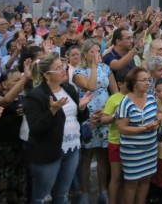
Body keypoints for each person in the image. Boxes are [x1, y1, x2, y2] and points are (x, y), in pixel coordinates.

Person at [23, 54, 92, 204]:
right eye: (58, 68)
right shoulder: (36, 96)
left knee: (62, 194)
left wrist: (81, 107)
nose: (63, 70)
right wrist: (52, 111)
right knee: (40, 197)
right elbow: (35, 129)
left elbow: (80, 117)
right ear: (47, 75)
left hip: (72, 147)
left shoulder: (68, 88)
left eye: (63, 66)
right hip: (48, 151)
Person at [73, 39, 117, 204]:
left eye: (98, 51)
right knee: (87, 155)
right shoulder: (79, 71)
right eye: (92, 51)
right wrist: (92, 66)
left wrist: (108, 108)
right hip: (88, 115)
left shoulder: (106, 68)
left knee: (102, 155)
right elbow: (90, 87)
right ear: (85, 53)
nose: (96, 54)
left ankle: (102, 190)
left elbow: (115, 92)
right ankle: (84, 191)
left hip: (104, 113)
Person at [0, 64, 32, 204]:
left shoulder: (23, 99)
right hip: (0, 149)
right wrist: (24, 79)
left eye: (21, 79)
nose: (20, 83)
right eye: (16, 80)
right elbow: (5, 102)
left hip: (18, 148)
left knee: (18, 185)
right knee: (0, 188)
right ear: (5, 84)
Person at [117, 67, 162, 204]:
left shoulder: (151, 97)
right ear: (134, 82)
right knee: (131, 183)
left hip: (150, 148)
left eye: (148, 80)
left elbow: (156, 116)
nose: (147, 83)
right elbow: (122, 128)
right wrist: (143, 129)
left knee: (146, 180)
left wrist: (157, 121)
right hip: (132, 150)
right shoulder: (125, 102)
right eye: (143, 80)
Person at [100, 69, 128, 204]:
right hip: (116, 141)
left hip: (131, 141)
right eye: (129, 82)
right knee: (116, 176)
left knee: (128, 177)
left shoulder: (136, 96)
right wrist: (114, 116)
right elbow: (104, 120)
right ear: (120, 84)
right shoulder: (114, 98)